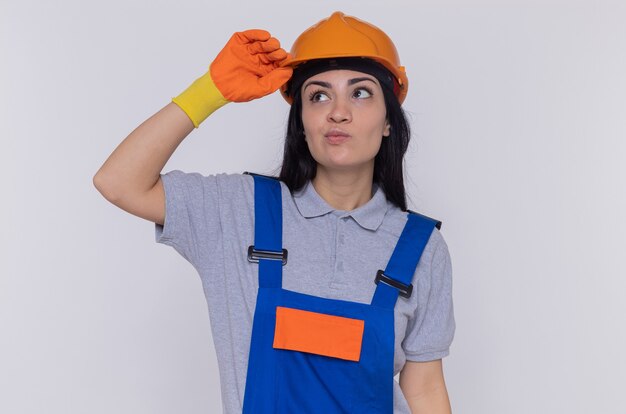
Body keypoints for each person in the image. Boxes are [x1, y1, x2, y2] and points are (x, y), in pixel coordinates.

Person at [94, 11, 455, 414]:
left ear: (389, 120)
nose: (338, 112)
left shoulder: (420, 247)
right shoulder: (238, 212)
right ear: (301, 122)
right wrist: (209, 92)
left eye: (360, 92)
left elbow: (424, 390)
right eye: (318, 95)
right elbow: (118, 182)